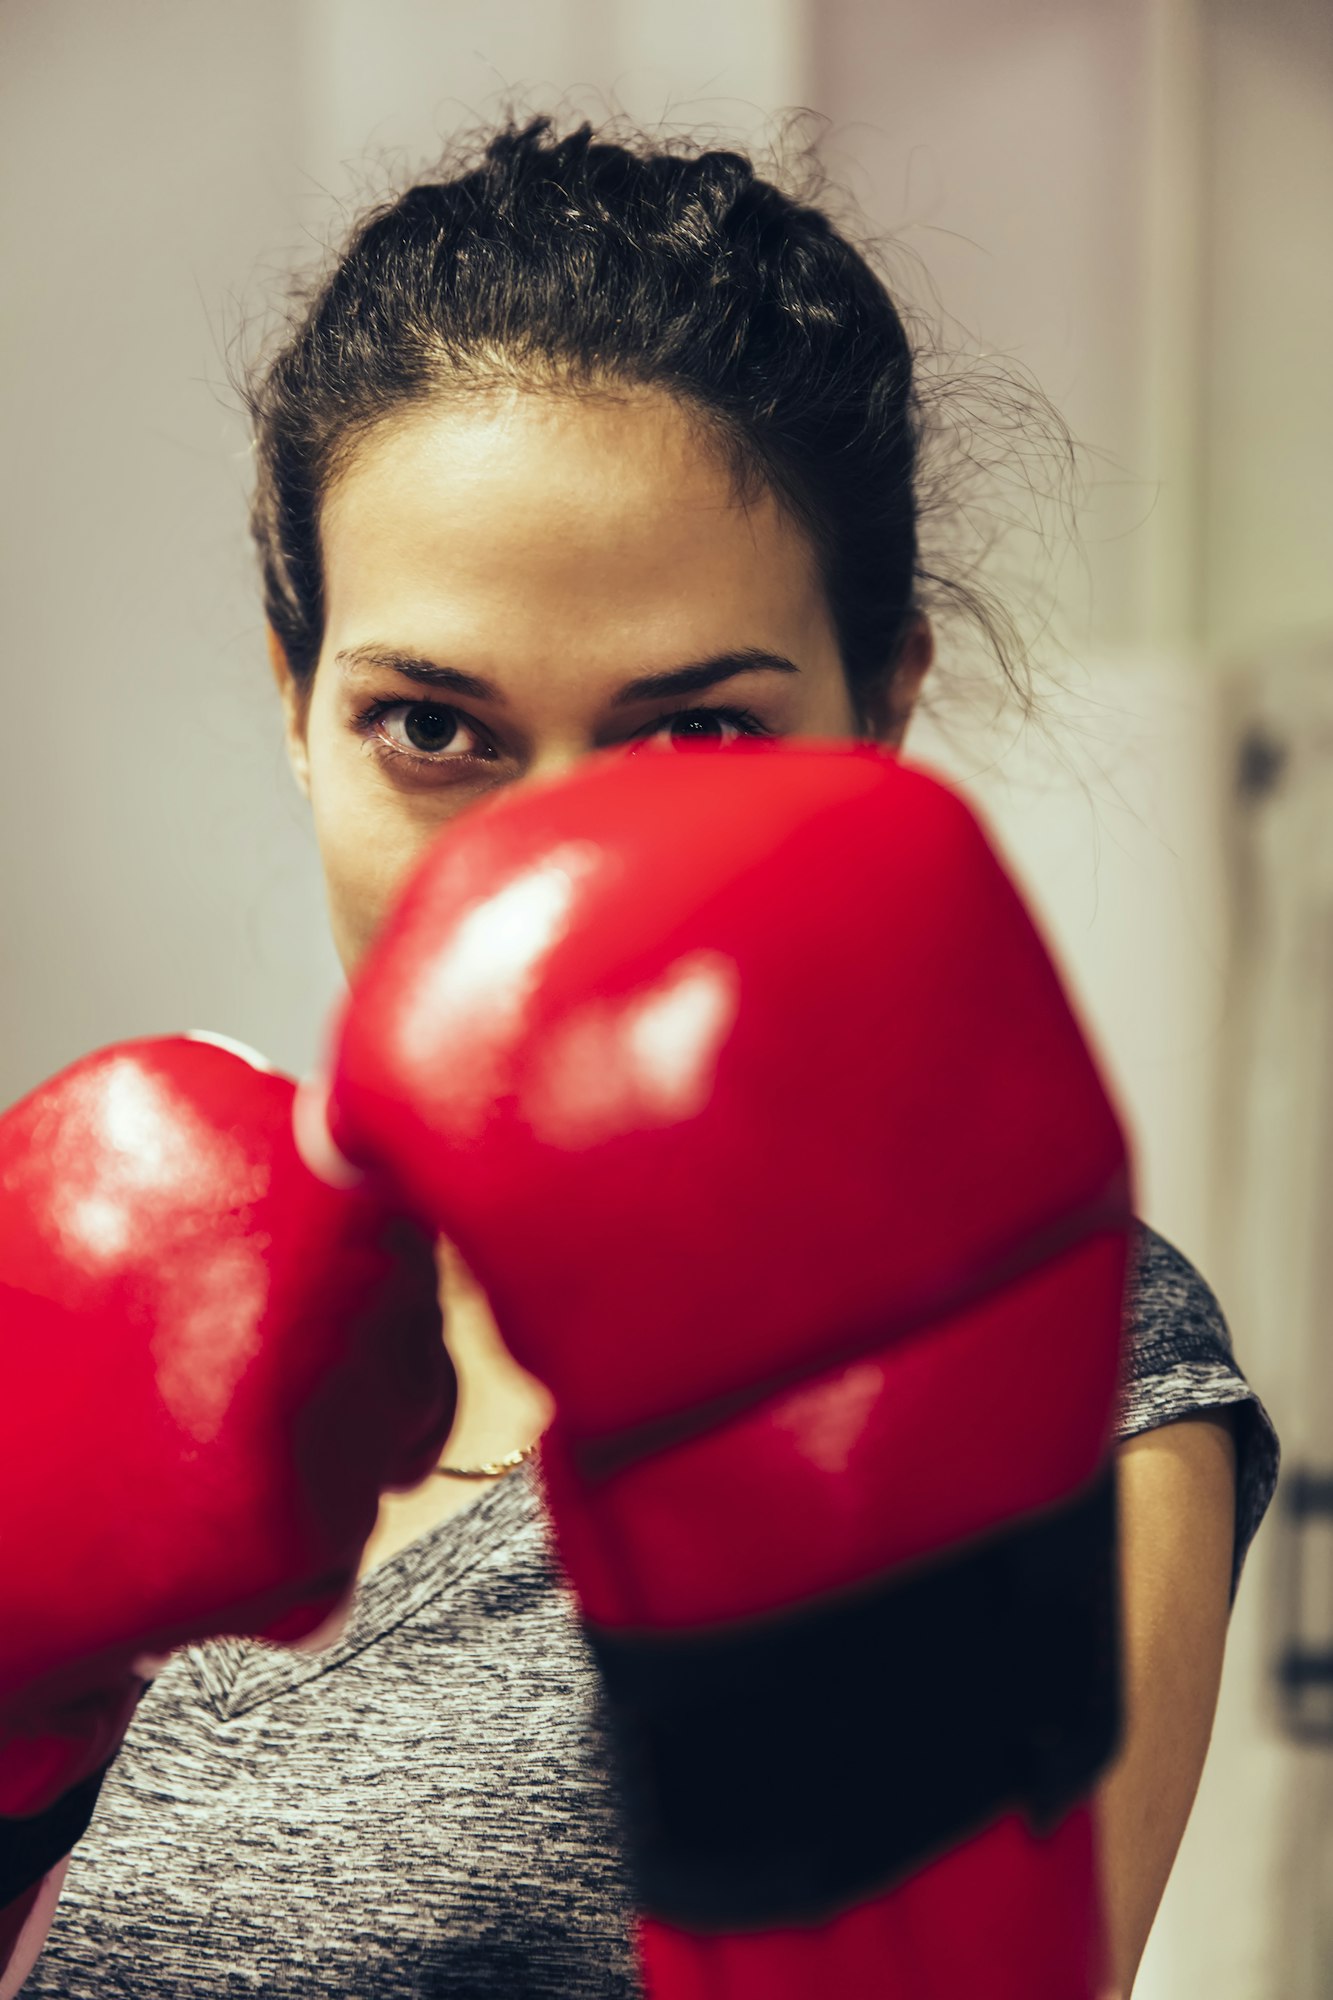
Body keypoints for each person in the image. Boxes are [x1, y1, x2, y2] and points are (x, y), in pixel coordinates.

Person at [17, 114, 1280, 1999]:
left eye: (692, 735)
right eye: (431, 726)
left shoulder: (1059, 1362)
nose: (545, 863)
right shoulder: (93, 1288)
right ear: (299, 705)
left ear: (885, 707)